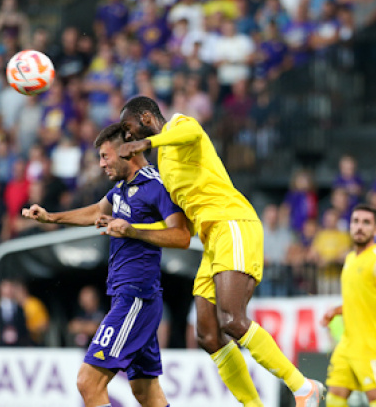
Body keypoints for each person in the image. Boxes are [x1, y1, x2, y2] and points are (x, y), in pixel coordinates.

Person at [118, 96, 324, 407]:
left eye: (128, 127)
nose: (127, 135)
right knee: (208, 335)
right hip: (211, 240)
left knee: (232, 319)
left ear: (146, 117)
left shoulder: (179, 125)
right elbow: (182, 231)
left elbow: (193, 134)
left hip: (233, 224)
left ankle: (303, 386)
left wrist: (145, 145)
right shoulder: (165, 164)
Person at [22, 123, 190, 407]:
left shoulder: (155, 185)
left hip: (136, 298)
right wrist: (51, 218)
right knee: (146, 394)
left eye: (105, 156)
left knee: (88, 381)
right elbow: (96, 212)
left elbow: (182, 236)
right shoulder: (122, 188)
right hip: (128, 298)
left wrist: (133, 231)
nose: (101, 164)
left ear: (127, 152)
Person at [320, 204, 376, 407]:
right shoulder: (350, 259)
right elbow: (358, 300)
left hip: (369, 346)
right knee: (334, 397)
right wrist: (336, 311)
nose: (359, 227)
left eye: (366, 223)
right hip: (347, 344)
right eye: (355, 221)